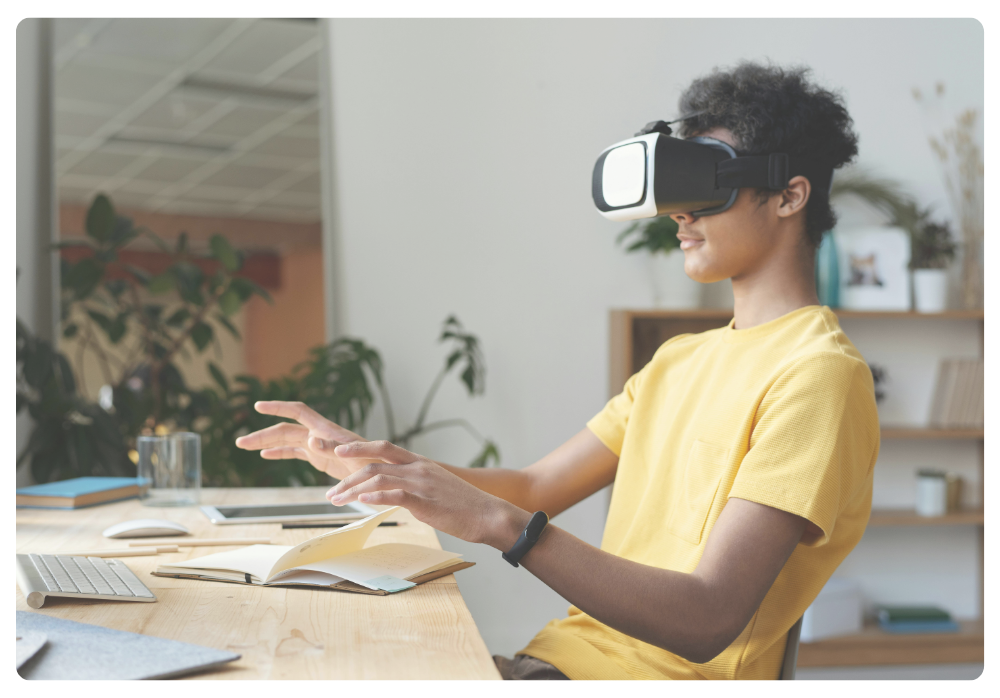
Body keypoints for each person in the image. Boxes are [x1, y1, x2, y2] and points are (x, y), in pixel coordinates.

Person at [235, 61, 879, 680]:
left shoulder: (818, 374)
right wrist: (383, 467)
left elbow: (709, 615)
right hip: (553, 665)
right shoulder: (681, 360)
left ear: (790, 196)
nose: (679, 213)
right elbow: (536, 485)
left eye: (706, 185)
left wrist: (503, 527)